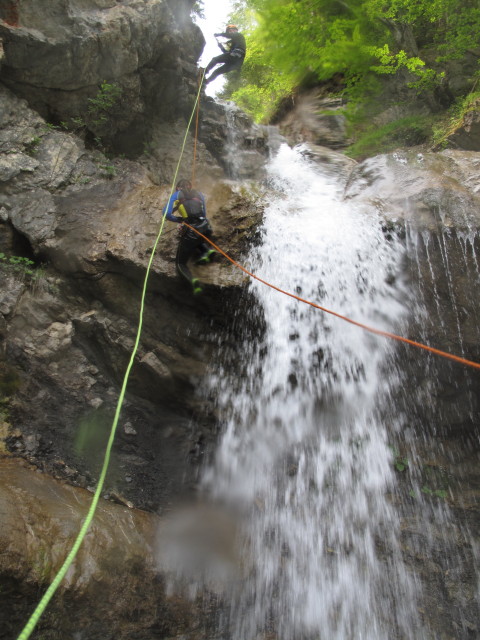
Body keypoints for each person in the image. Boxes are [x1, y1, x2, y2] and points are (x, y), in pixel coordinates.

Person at [163, 179, 216, 295]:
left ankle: (193, 281)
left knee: (180, 264)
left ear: (177, 188)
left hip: (192, 230)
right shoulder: (199, 194)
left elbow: (166, 213)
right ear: (190, 186)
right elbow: (204, 213)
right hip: (206, 227)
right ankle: (207, 251)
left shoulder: (177, 195)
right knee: (198, 239)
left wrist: (180, 220)